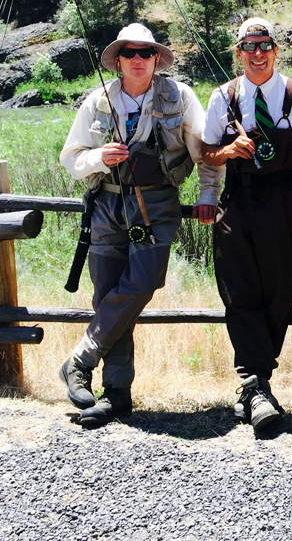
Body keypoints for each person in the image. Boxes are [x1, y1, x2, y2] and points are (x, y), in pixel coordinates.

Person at [58, 22, 219, 427]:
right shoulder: (96, 101)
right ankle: (116, 395)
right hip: (106, 204)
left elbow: (205, 152)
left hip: (157, 202)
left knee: (143, 283)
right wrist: (99, 159)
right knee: (109, 295)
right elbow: (71, 159)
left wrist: (207, 196)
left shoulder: (179, 97)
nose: (137, 59)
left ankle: (80, 360)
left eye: (145, 52)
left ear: (156, 59)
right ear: (117, 60)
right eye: (128, 52)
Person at [201, 18, 292, 432]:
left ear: (276, 51)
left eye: (265, 45)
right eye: (249, 46)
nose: (257, 53)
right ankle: (255, 384)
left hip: (283, 203)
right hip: (237, 201)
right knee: (237, 289)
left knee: (279, 291)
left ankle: (254, 384)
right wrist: (228, 151)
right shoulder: (222, 97)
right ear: (238, 53)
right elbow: (205, 153)